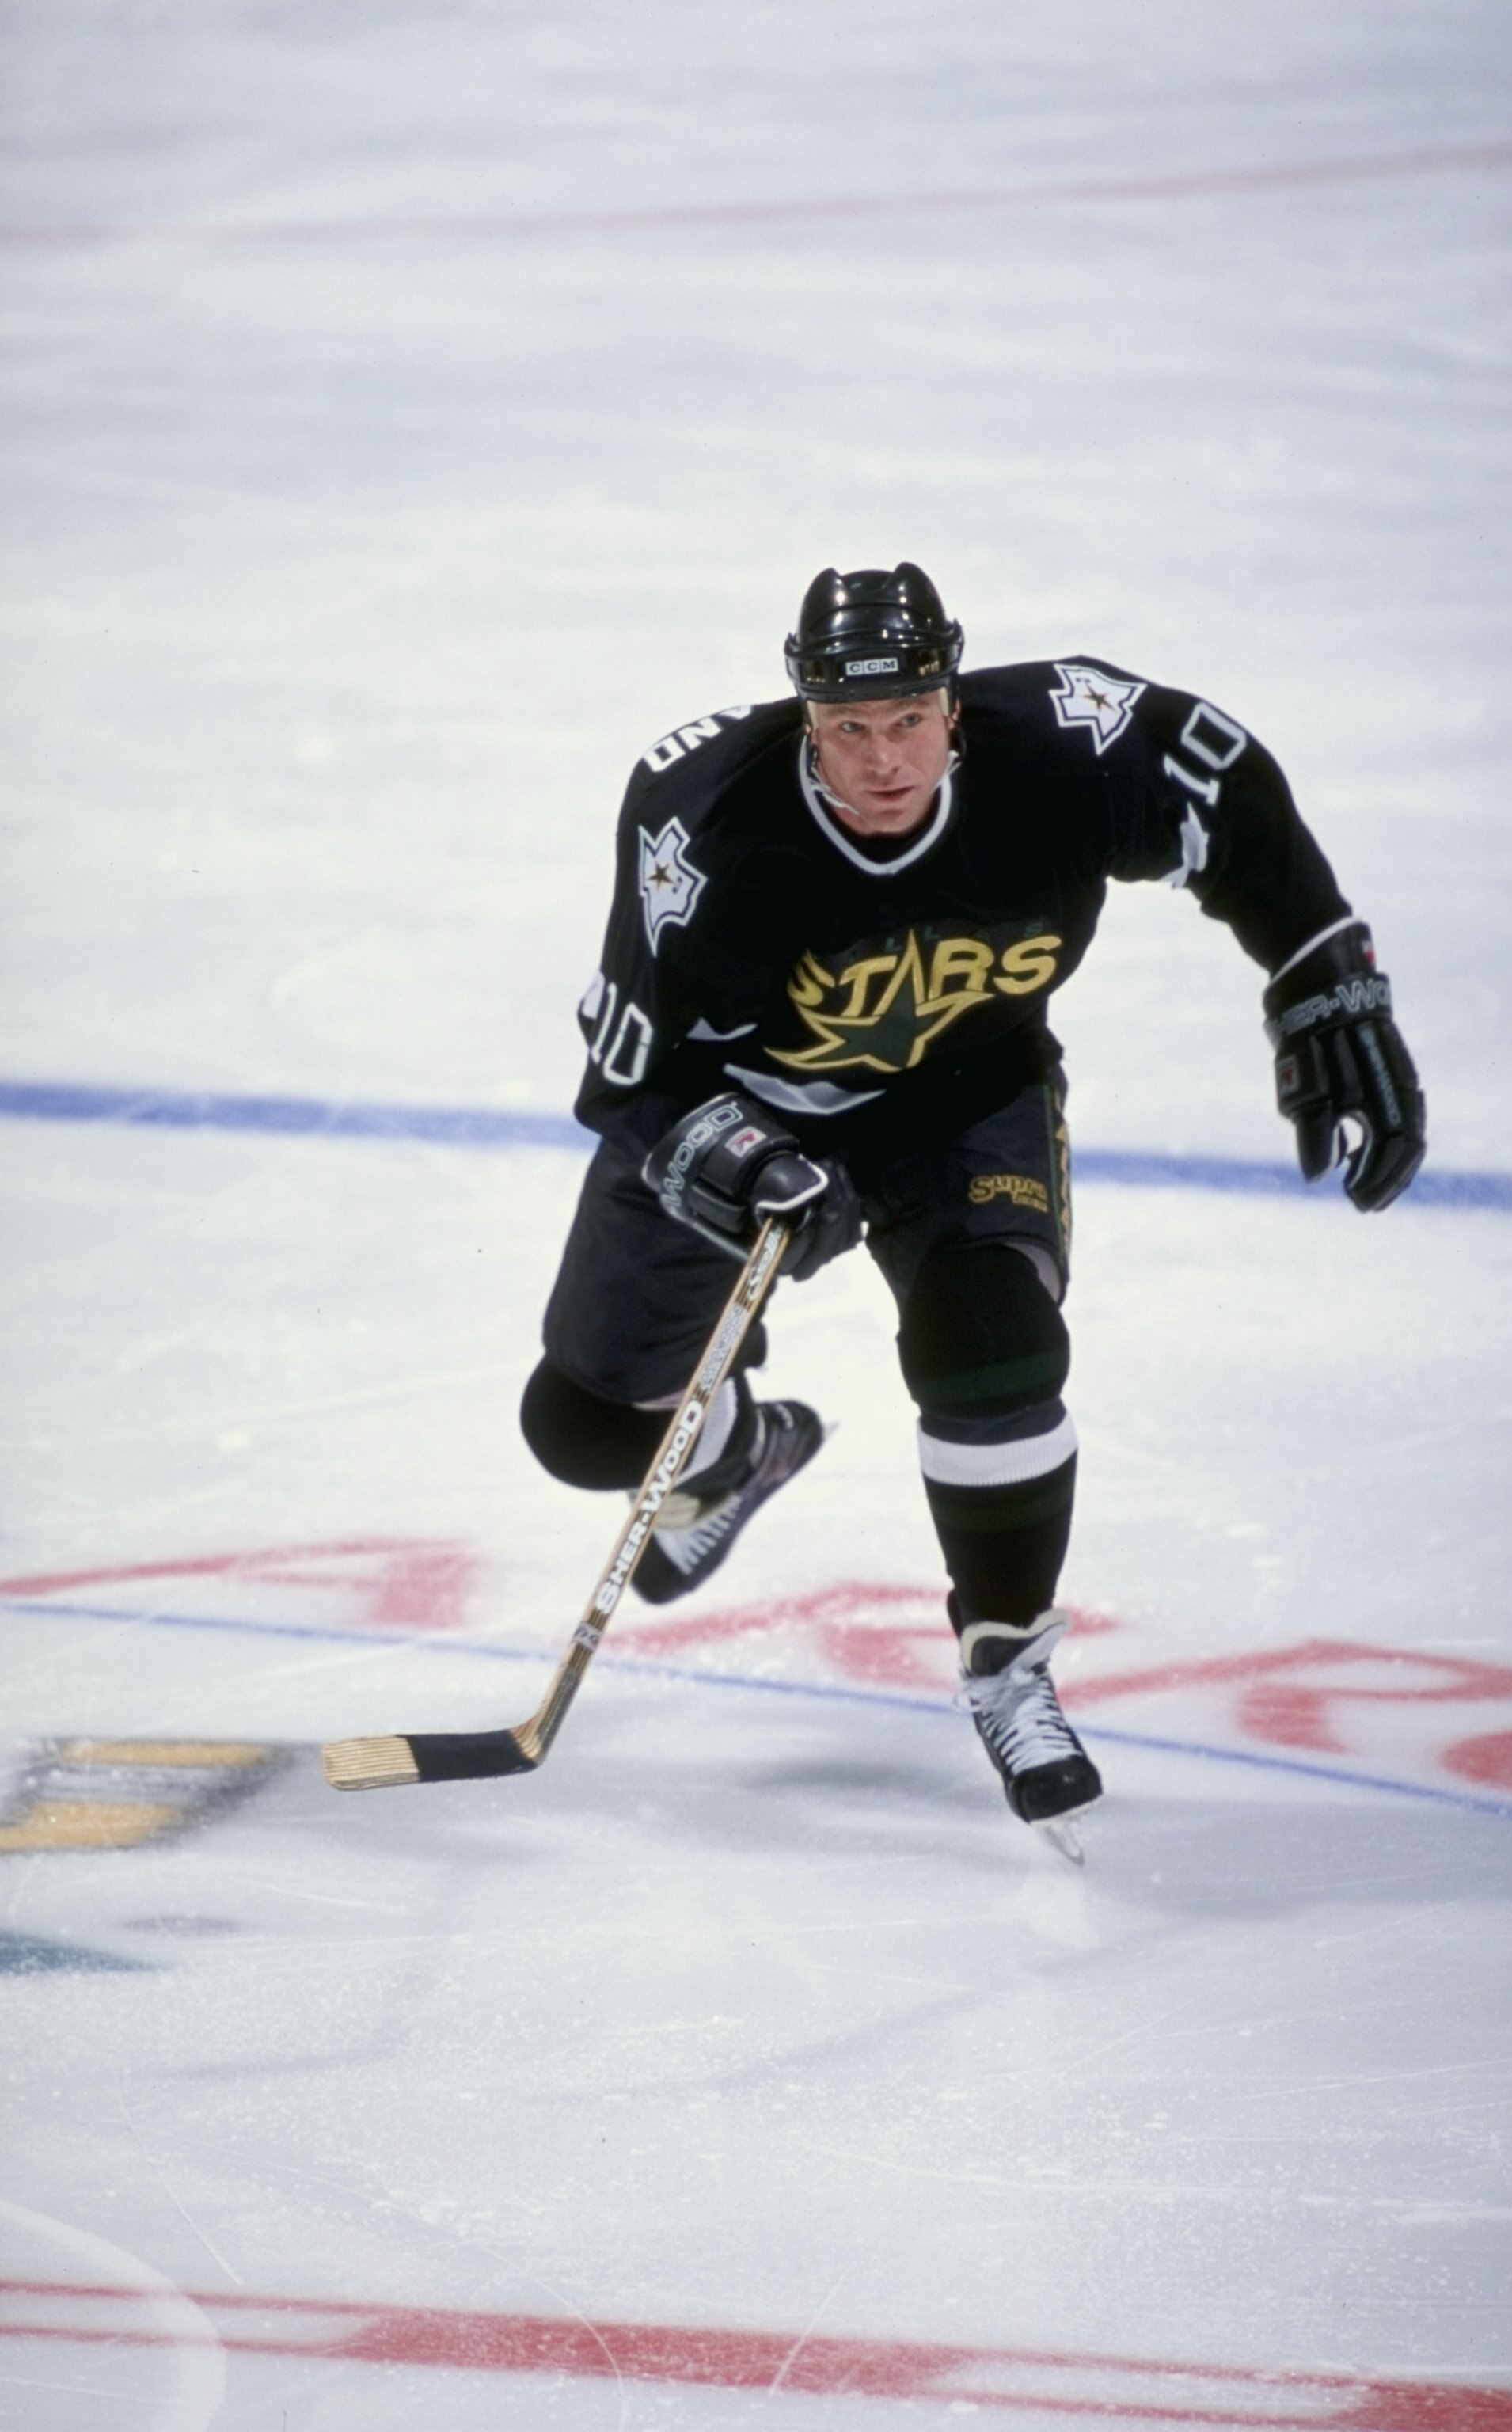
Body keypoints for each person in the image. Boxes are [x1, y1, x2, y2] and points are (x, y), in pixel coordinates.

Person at [520, 565, 1425, 1834]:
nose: (884, 759)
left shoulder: (1066, 747)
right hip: (752, 1112)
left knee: (992, 1342)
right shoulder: (702, 818)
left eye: (909, 719)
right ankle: (737, 1453)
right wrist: (742, 1160)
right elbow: (633, 1083)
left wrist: (1321, 963)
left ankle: (1009, 1669)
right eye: (849, 727)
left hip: (968, 1097)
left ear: (954, 702)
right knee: (581, 1430)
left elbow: (1222, 783)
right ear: (805, 718)